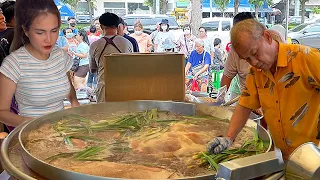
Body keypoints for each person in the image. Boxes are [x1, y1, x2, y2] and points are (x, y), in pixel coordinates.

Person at [207, 18, 320, 160]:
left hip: (314, 156)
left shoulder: (305, 58)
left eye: (254, 53)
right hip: (283, 156)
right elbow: (244, 106)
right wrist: (229, 138)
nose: (254, 62)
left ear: (267, 37)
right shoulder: (255, 72)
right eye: (247, 59)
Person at [0, 0, 79, 127]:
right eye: (40, 32)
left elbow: (68, 88)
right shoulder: (14, 63)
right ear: (26, 30)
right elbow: (2, 112)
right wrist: (32, 123)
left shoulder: (60, 56)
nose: (49, 39)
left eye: (54, 30)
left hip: (62, 130)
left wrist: (75, 103)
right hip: (32, 135)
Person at [89, 12, 133, 103]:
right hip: (125, 86)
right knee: (124, 114)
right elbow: (132, 65)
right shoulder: (127, 43)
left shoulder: (95, 45)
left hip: (104, 87)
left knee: (104, 114)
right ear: (118, 26)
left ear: (101, 26)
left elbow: (92, 69)